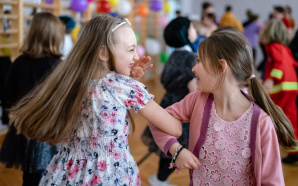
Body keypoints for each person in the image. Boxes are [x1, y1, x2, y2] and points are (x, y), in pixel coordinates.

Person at [9, 15, 182, 186]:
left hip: (67, 171)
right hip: (110, 175)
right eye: (131, 50)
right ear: (104, 53)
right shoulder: (125, 87)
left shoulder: (70, 82)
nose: (136, 56)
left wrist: (129, 80)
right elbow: (174, 128)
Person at [150, 27, 297, 185]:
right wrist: (176, 151)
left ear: (221, 66)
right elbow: (156, 121)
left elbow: (273, 181)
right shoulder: (195, 100)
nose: (193, 68)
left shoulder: (261, 123)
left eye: (199, 61)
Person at [0, 12, 65, 186]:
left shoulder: (20, 62)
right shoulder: (58, 66)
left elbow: (7, 99)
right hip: (50, 132)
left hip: (24, 129)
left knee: (30, 176)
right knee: (54, 174)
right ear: (56, 37)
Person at [144, 16, 197, 186]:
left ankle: (159, 179)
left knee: (168, 145)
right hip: (183, 108)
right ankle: (160, 179)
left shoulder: (174, 53)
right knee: (178, 147)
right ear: (186, 32)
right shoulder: (190, 58)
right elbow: (193, 88)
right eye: (192, 27)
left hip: (168, 102)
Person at [260, 19, 298, 164]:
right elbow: (292, 63)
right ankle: (295, 150)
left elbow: (280, 63)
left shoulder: (273, 46)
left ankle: (269, 149)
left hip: (280, 87)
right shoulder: (284, 48)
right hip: (291, 87)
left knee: (274, 118)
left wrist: (271, 79)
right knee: (290, 118)